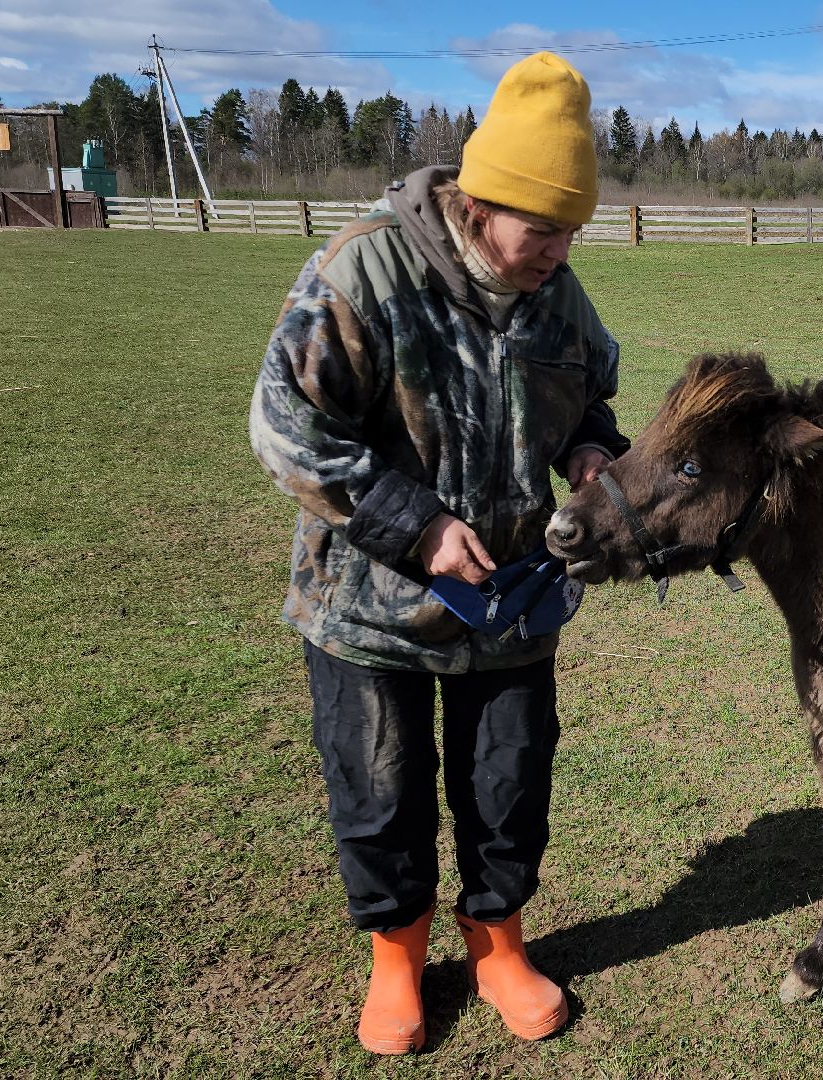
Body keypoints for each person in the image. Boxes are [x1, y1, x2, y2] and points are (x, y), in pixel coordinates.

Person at [248, 51, 627, 1055]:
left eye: (573, 231)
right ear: (482, 201)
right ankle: (398, 963)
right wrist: (417, 528)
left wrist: (590, 449)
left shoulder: (557, 295)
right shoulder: (364, 271)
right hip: (369, 609)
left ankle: (499, 948)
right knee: (380, 790)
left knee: (510, 784)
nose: (559, 251)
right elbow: (284, 428)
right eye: (543, 229)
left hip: (511, 602)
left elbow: (589, 397)